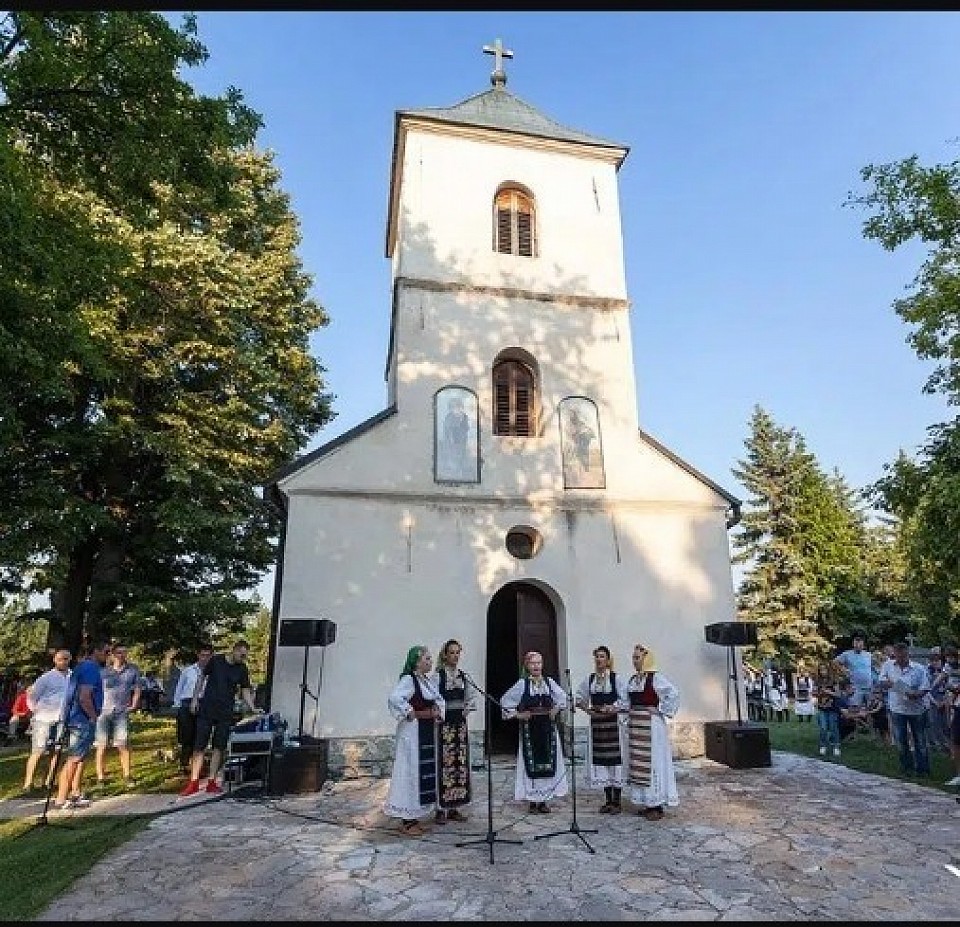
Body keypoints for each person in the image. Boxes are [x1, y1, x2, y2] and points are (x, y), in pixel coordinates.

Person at [179, 639, 260, 797]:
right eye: (241, 655)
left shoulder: (242, 669)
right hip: (207, 709)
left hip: (225, 712)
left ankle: (212, 781)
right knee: (199, 746)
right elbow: (201, 678)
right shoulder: (216, 661)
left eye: (245, 656)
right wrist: (195, 699)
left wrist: (252, 707)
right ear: (234, 651)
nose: (243, 658)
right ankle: (193, 782)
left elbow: (245, 689)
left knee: (219, 746)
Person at [384, 645, 445, 835]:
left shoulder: (425, 681)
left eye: (430, 658)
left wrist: (437, 710)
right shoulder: (409, 679)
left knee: (419, 772)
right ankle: (407, 820)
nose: (430, 661)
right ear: (417, 662)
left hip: (425, 732)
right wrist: (409, 711)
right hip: (412, 734)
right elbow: (395, 698)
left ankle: (414, 817)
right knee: (409, 772)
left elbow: (438, 699)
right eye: (427, 658)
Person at [500, 650, 568, 814]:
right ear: (527, 666)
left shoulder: (549, 683)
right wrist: (518, 714)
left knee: (548, 763)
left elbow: (563, 698)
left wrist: (556, 709)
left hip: (548, 729)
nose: (536, 666)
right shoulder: (522, 684)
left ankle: (544, 800)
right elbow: (505, 701)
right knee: (530, 764)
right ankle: (532, 801)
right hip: (530, 729)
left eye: (539, 663)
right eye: (533, 663)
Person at [54, 639, 110, 811]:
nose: (107, 656)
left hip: (78, 718)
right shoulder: (90, 668)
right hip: (81, 719)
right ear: (96, 652)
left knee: (80, 758)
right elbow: (85, 696)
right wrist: (93, 717)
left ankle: (75, 793)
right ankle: (61, 798)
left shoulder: (84, 667)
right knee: (74, 758)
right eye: (106, 652)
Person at [625, 644, 679, 820]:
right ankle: (647, 802)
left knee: (654, 762)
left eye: (637, 658)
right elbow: (627, 701)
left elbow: (673, 694)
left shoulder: (656, 678)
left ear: (646, 659)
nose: (634, 661)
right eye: (633, 658)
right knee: (639, 763)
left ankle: (656, 804)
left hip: (652, 727)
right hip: (636, 726)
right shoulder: (633, 680)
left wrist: (660, 709)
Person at [428, 639, 478, 824]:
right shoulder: (438, 677)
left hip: (460, 725)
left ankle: (455, 806)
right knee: (443, 765)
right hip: (443, 725)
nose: (455, 656)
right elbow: (432, 698)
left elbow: (471, 696)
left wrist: (467, 708)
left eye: (458, 653)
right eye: (452, 652)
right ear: (445, 655)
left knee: (459, 765)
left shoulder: (464, 677)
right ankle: (441, 809)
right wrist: (439, 712)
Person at [575, 644, 628, 814]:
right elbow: (578, 697)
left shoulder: (615, 678)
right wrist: (587, 709)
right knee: (602, 762)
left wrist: (613, 707)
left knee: (615, 761)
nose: (599, 659)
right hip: (597, 725)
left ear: (608, 660)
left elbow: (625, 699)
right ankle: (608, 800)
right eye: (597, 656)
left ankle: (617, 801)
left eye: (602, 656)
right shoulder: (590, 679)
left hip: (613, 725)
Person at [20, 649, 72, 795]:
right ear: (55, 660)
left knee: (56, 751)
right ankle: (28, 783)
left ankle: (48, 781)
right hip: (44, 718)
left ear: (70, 660)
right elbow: (32, 696)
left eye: (66, 659)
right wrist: (35, 711)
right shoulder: (46, 678)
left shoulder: (72, 676)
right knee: (38, 750)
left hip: (61, 718)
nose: (63, 662)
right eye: (60, 659)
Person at [878, 641, 931, 778]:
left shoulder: (919, 668)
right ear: (894, 655)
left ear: (908, 655)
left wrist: (916, 694)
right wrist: (896, 686)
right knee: (901, 740)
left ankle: (923, 769)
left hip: (916, 709)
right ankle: (906, 767)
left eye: (903, 657)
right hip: (897, 708)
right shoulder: (888, 665)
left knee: (919, 740)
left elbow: (925, 688)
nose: (901, 660)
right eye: (898, 657)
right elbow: (882, 681)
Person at [94, 643, 142, 789]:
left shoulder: (132, 670)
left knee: (123, 744)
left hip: (121, 711)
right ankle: (101, 777)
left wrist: (134, 704)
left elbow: (137, 688)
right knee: (101, 745)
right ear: (113, 654)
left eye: (124, 652)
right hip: (103, 712)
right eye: (119, 652)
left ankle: (127, 775)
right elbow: (95, 690)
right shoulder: (103, 671)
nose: (122, 655)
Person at [171, 643, 213, 774]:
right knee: (186, 736)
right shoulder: (188, 671)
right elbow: (180, 687)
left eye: (208, 656)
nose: (205, 658)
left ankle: (198, 764)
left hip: (204, 703)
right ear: (198, 655)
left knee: (201, 735)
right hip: (187, 702)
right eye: (203, 655)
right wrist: (177, 704)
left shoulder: (213, 672)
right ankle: (184, 763)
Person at [814, 658, 847, 757]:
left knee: (833, 728)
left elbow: (838, 694)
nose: (823, 671)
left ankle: (836, 746)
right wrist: (817, 693)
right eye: (821, 670)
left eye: (824, 669)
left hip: (832, 708)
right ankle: (823, 746)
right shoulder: (817, 681)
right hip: (821, 707)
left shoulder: (834, 681)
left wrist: (828, 692)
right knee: (823, 727)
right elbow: (814, 693)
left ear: (828, 670)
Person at [836, 633, 875, 709]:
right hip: (855, 688)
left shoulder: (868, 655)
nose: (858, 645)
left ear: (863, 644)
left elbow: (874, 667)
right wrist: (843, 670)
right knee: (854, 709)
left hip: (869, 687)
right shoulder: (847, 654)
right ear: (853, 644)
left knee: (870, 709)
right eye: (856, 643)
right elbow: (834, 663)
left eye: (860, 644)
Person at [940, 643, 960, 787]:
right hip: (957, 705)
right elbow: (942, 677)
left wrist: (954, 689)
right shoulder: (948, 667)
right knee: (956, 738)